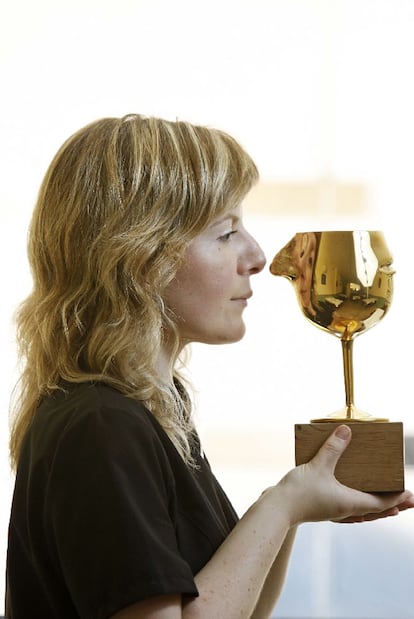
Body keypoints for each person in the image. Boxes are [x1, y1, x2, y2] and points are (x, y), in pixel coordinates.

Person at [5, 113, 413, 619]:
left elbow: (242, 611)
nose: (258, 256)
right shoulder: (101, 425)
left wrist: (292, 507)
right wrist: (283, 503)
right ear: (139, 256)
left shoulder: (154, 405)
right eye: (225, 233)